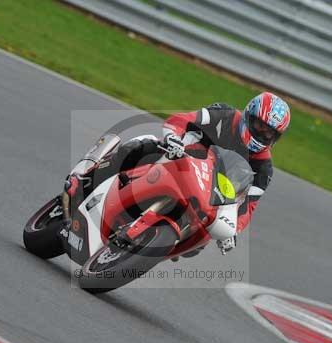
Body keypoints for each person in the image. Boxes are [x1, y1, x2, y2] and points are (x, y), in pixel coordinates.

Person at [66, 92, 291, 255]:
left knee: (199, 244)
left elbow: (248, 205)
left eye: (269, 133)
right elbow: (184, 119)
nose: (262, 134)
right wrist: (174, 136)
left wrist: (234, 231)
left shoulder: (264, 168)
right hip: (179, 157)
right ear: (248, 115)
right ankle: (87, 178)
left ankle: (145, 249)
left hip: (209, 192)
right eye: (259, 126)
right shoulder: (224, 114)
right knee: (142, 145)